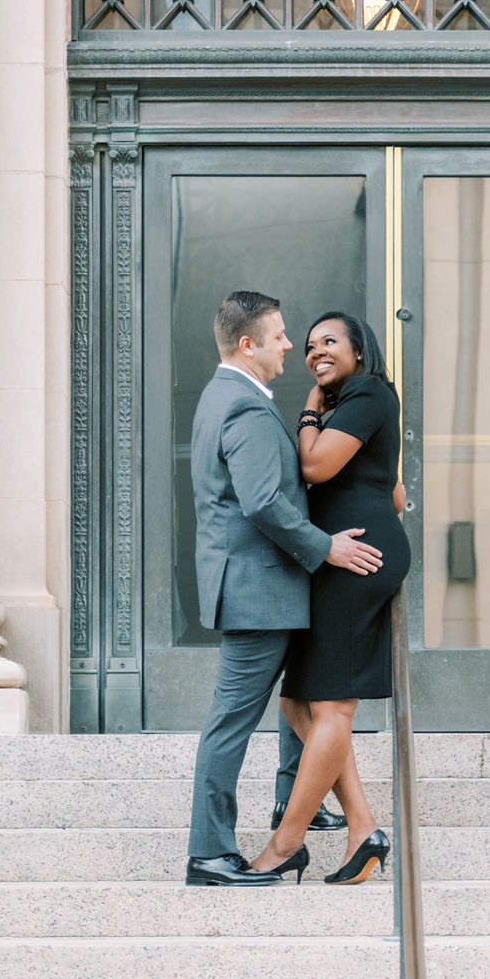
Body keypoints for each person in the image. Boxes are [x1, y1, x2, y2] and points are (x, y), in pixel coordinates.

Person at [185, 290, 383, 887]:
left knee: (298, 698)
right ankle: (210, 853)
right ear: (248, 344)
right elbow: (264, 500)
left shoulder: (231, 395)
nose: (291, 345)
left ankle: (292, 803)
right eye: (279, 336)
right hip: (256, 590)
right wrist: (327, 547)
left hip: (265, 586)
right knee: (231, 722)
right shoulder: (241, 405)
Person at [249, 312, 411, 885]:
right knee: (298, 704)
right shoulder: (361, 404)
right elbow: (394, 492)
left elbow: (315, 466)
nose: (317, 351)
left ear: (360, 351)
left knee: (333, 707)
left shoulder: (367, 391)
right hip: (343, 557)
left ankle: (285, 844)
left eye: (330, 342)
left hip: (355, 561)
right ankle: (363, 827)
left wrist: (310, 411)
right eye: (311, 344)